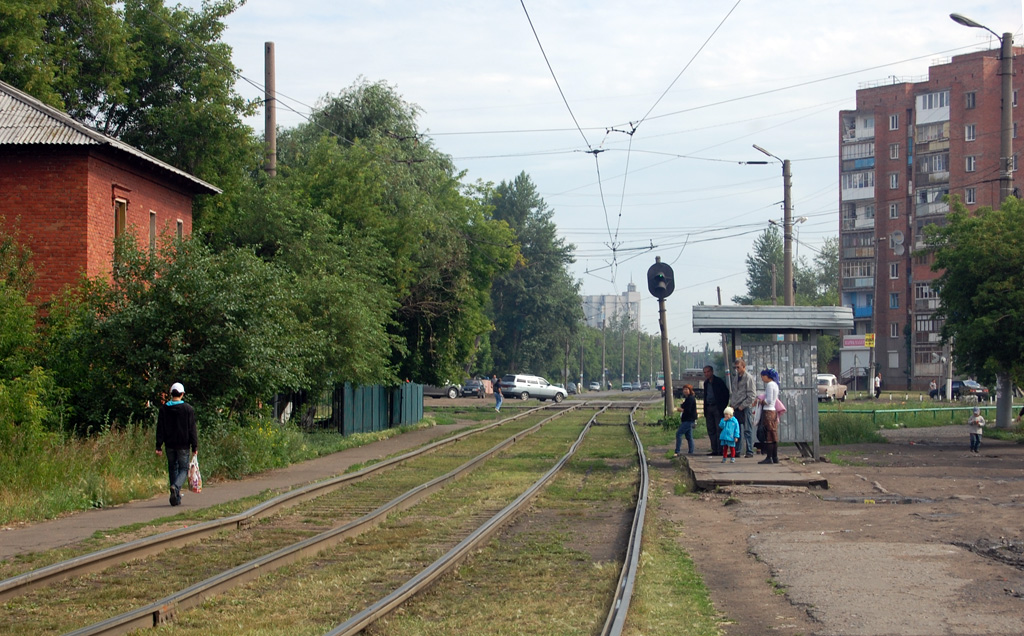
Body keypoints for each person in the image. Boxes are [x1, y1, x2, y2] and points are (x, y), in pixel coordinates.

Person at [155, 382, 198, 507]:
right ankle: (176, 487)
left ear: (171, 393)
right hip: (183, 445)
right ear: (182, 394)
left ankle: (176, 497)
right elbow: (192, 429)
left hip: (169, 444)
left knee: (172, 467)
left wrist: (158, 445)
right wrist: (194, 446)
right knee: (183, 468)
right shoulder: (188, 409)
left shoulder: (164, 409)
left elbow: (160, 428)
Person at [730, 359, 758, 458]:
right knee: (737, 430)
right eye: (735, 367)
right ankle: (737, 451)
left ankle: (749, 451)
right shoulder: (736, 378)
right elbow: (734, 392)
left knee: (747, 429)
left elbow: (752, 395)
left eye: (738, 367)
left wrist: (743, 405)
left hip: (745, 407)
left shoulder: (748, 378)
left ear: (743, 367)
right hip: (736, 407)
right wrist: (732, 404)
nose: (737, 369)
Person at [702, 365, 730, 456]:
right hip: (708, 408)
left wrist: (722, 407)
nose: (706, 374)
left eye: (708, 372)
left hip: (717, 408)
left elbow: (726, 394)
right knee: (711, 429)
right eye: (705, 372)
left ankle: (720, 450)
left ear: (712, 372)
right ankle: (714, 449)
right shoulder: (706, 383)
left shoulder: (718, 381)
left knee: (719, 429)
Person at [756, 369, 780, 465]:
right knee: (773, 435)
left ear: (767, 376)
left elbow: (769, 400)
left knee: (769, 436)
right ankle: (775, 457)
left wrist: (761, 401)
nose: (762, 378)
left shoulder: (770, 385)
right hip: (773, 411)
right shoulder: (775, 384)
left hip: (768, 411)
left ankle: (769, 457)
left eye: (763, 376)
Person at [673, 384, 697, 457]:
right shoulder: (688, 398)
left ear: (690, 390)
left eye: (687, 389)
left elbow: (688, 410)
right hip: (687, 420)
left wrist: (681, 410)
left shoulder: (691, 399)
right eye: (684, 389)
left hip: (688, 420)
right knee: (689, 436)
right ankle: (691, 452)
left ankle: (677, 451)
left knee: (679, 433)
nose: (685, 391)